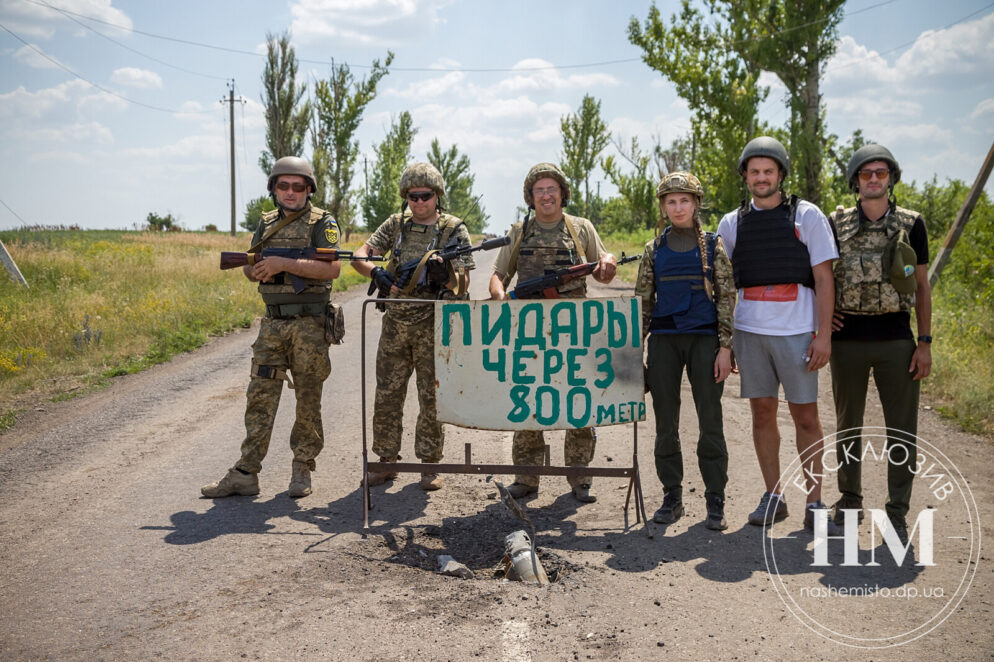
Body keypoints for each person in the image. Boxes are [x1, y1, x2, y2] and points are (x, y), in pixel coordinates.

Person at [716, 137, 840, 533]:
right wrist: (729, 339)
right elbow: (724, 285)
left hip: (797, 332)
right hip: (751, 332)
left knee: (806, 416)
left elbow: (824, 279)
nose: (761, 177)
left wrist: (823, 336)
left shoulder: (807, 216)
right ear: (745, 177)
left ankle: (816, 501)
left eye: (768, 171)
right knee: (762, 413)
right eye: (754, 172)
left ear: (781, 175)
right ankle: (774, 496)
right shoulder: (732, 223)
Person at [202, 156, 341, 499]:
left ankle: (302, 468)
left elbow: (332, 270)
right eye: (283, 185)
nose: (290, 192)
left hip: (309, 324)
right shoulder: (265, 224)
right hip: (273, 323)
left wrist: (284, 263)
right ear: (274, 188)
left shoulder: (322, 222)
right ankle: (246, 472)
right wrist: (259, 269)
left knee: (308, 398)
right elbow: (249, 266)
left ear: (309, 189)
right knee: (260, 397)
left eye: (298, 186)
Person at [489, 162, 618, 503]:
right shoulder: (519, 231)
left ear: (562, 193)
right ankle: (526, 478)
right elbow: (499, 274)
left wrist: (608, 262)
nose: (546, 196)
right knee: (529, 400)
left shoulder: (581, 228)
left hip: (575, 332)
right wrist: (499, 297)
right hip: (529, 332)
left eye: (551, 189)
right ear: (531, 197)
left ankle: (579, 479)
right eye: (539, 191)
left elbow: (603, 273)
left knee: (580, 401)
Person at [829, 144, 932, 545]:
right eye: (866, 173)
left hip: (896, 340)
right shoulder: (835, 224)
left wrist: (923, 343)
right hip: (847, 340)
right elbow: (818, 279)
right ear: (855, 180)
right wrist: (824, 323)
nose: (874, 179)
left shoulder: (911, 224)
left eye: (882, 173)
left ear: (891, 178)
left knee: (902, 431)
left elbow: (922, 287)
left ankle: (897, 511)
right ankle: (850, 499)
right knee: (847, 426)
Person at [352, 162, 475, 491]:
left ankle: (429, 463)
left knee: (431, 397)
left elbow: (464, 283)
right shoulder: (396, 225)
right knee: (388, 394)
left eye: (425, 196)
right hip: (396, 322)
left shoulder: (453, 229)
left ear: (438, 196)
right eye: (412, 196)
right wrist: (375, 272)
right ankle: (385, 461)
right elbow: (360, 255)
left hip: (434, 326)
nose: (419, 202)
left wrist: (445, 274)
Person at [634, 172, 735, 530]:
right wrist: (636, 354)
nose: (678, 208)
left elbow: (727, 297)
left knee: (710, 421)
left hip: (704, 341)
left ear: (696, 204)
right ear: (663, 206)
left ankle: (715, 499)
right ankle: (672, 496)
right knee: (666, 423)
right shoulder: (653, 249)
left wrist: (725, 347)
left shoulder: (713, 245)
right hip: (664, 342)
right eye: (671, 201)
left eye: (685, 201)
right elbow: (643, 304)